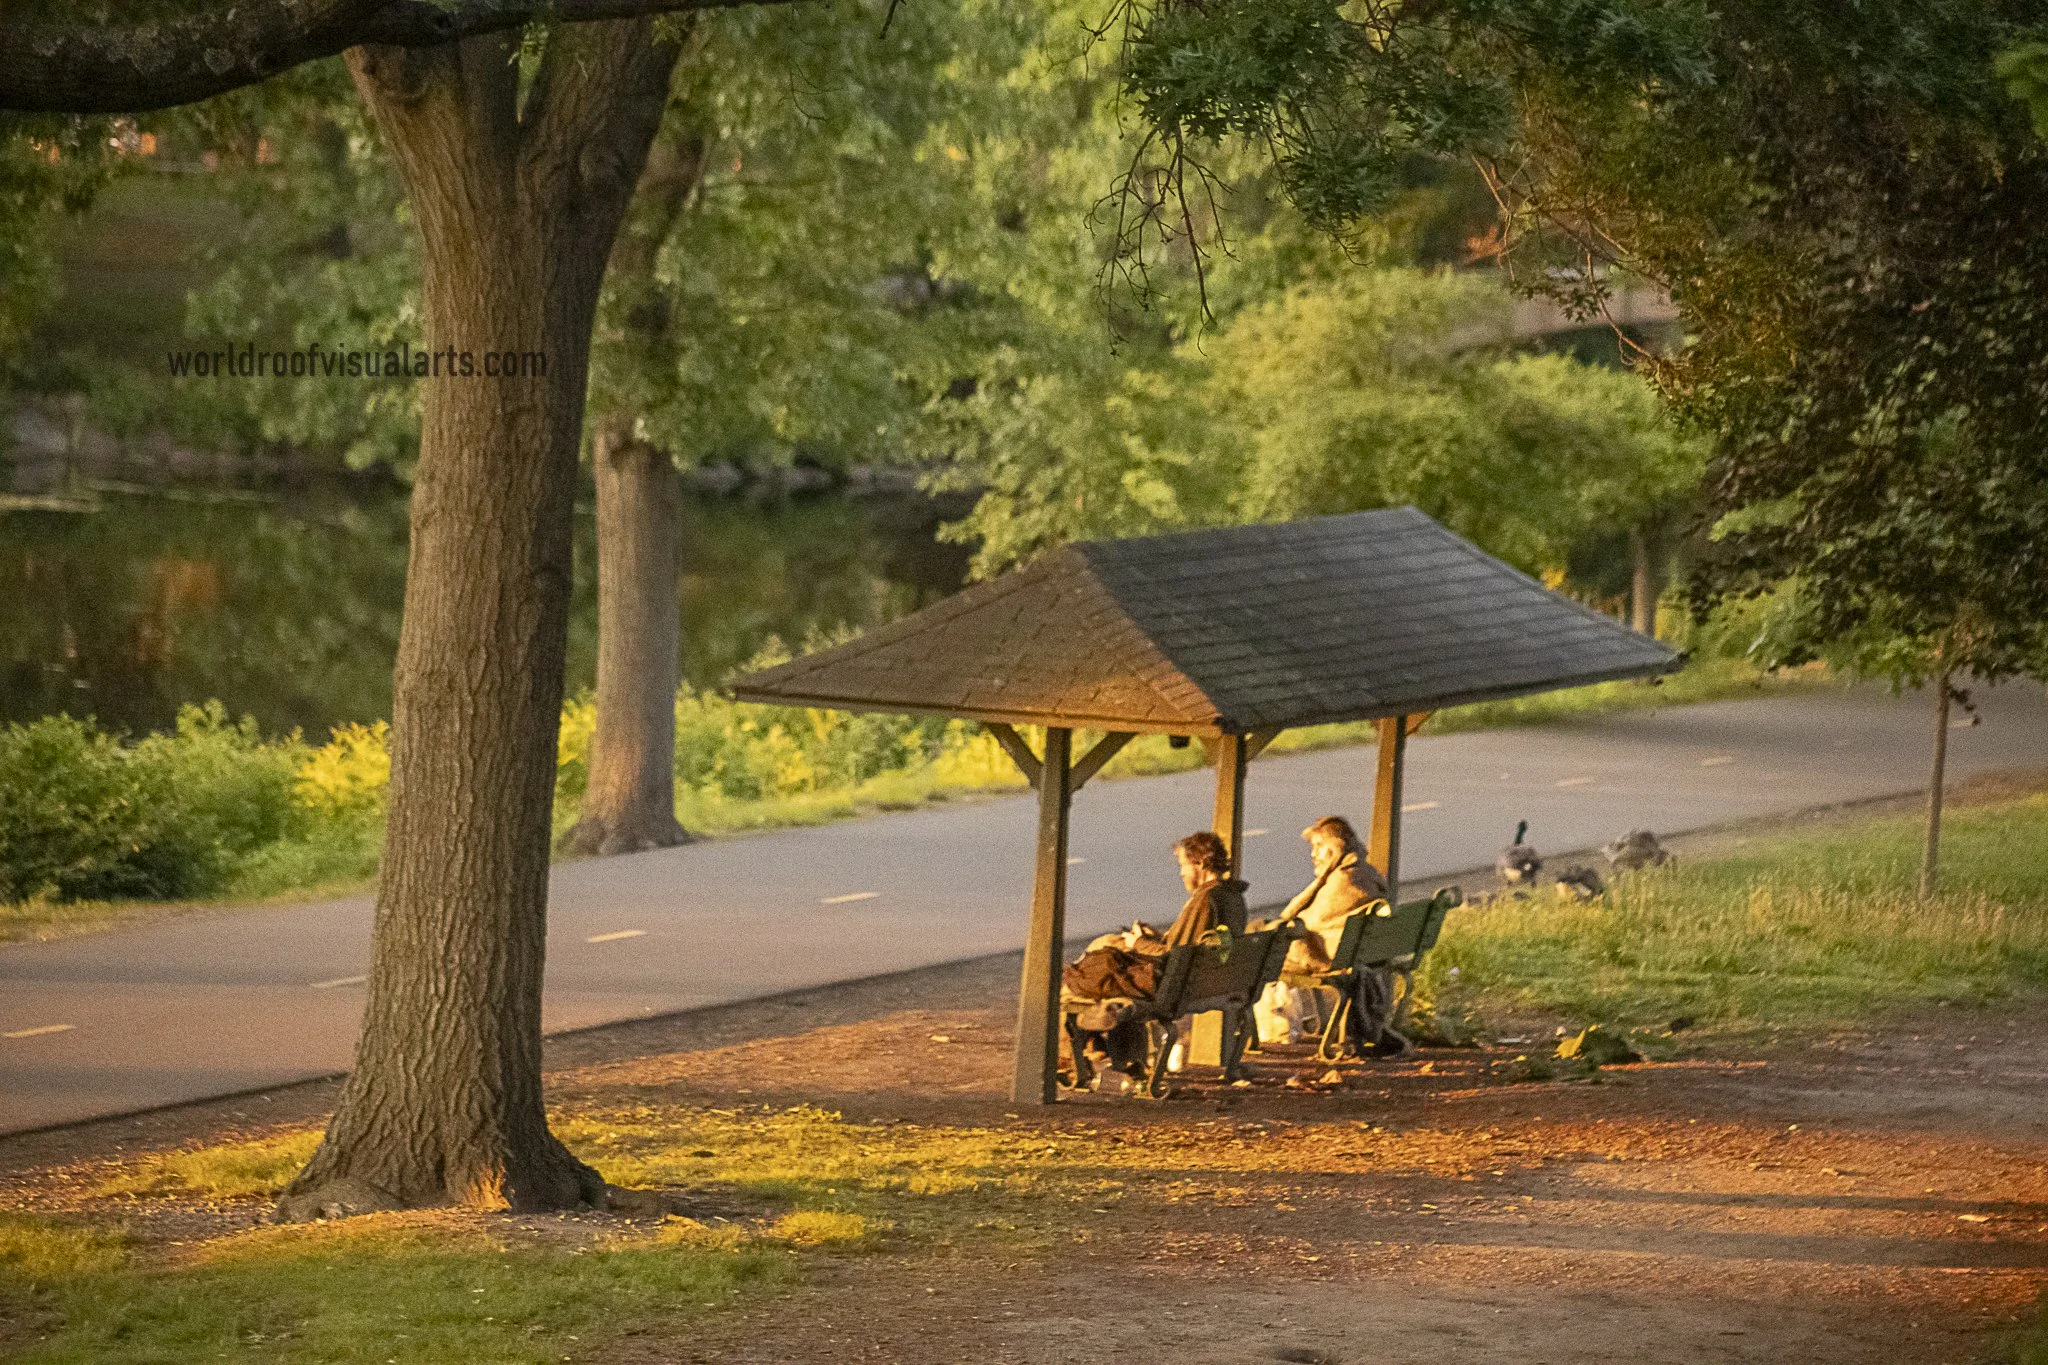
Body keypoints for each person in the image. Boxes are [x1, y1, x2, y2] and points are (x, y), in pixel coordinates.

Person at [1059, 831, 1249, 1085]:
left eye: (1183, 865)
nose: (1181, 873)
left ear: (1200, 863)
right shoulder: (1232, 896)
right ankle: (1116, 1057)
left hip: (1172, 987)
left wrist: (1137, 943)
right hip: (1204, 983)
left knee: (1075, 983)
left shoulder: (1206, 900)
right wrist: (1154, 938)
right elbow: (1187, 946)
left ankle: (1076, 1060)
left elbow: (1175, 956)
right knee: (1102, 965)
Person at [1266, 815, 1406, 1055]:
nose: (1314, 854)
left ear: (1336, 847)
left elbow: (1308, 923)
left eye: (1319, 847)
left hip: (1331, 959)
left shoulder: (1343, 880)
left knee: (1262, 948)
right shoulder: (1366, 873)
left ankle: (1270, 1032)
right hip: (1354, 956)